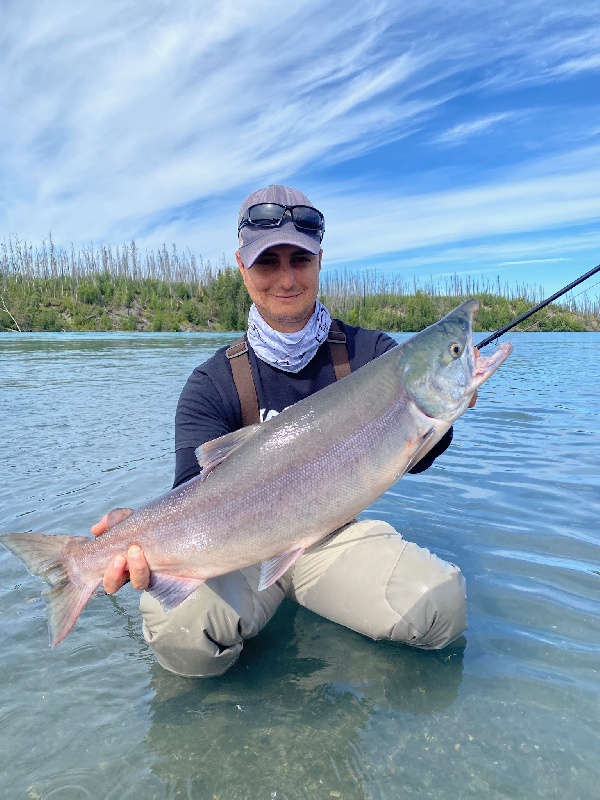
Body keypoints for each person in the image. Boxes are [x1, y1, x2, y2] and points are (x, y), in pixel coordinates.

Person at [92, 185, 471, 677]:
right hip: (240, 551)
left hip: (333, 537)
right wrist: (137, 530)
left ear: (319, 261)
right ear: (242, 267)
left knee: (441, 609)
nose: (287, 278)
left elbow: (417, 456)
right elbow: (191, 493)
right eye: (268, 262)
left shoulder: (375, 356)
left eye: (301, 259)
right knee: (183, 641)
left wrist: (440, 411)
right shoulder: (211, 384)